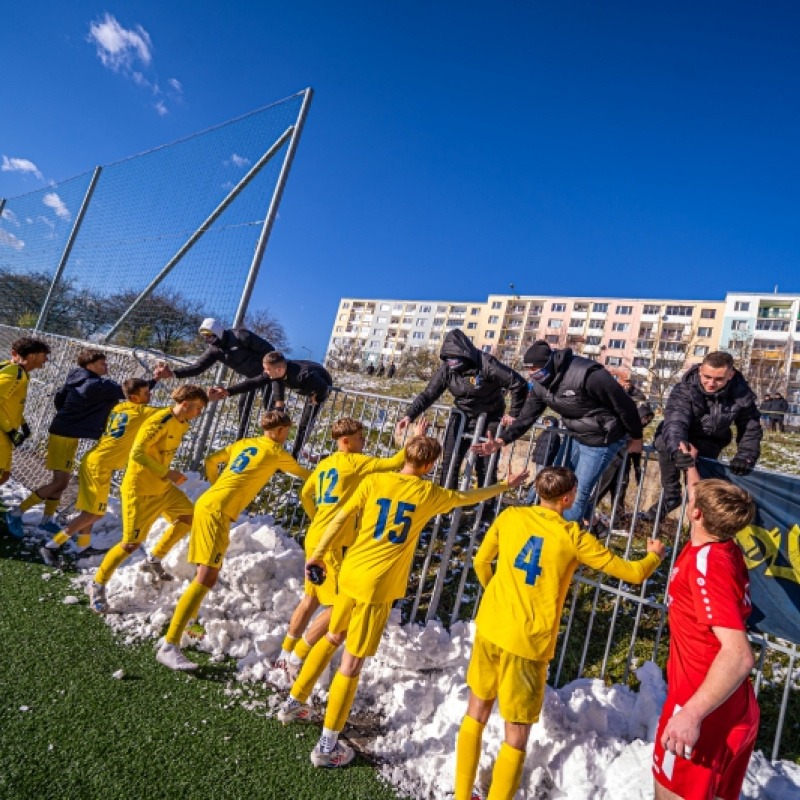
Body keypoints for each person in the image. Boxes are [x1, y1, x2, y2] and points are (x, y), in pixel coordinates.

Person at [277, 436, 528, 768]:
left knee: (333, 636)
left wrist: (320, 555)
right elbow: (467, 498)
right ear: (429, 466)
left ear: (405, 456)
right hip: (378, 586)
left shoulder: (374, 480)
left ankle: (295, 701)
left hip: (351, 571)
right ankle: (327, 745)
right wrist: (501, 486)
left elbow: (339, 518)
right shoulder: (429, 493)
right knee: (351, 665)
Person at [455, 466, 665, 800]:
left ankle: (460, 793)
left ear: (539, 491)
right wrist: (653, 556)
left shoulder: (510, 516)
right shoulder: (573, 536)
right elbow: (632, 574)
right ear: (567, 498)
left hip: (491, 627)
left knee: (476, 712)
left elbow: (482, 562)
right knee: (516, 733)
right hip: (528, 641)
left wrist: (496, 595)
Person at [274, 416, 427, 680]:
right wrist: (413, 438)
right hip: (332, 545)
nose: (364, 441)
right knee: (338, 604)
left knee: (310, 599)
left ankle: (283, 654)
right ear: (345, 441)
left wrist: (317, 517)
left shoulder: (325, 463)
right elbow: (394, 463)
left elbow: (304, 494)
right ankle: (298, 656)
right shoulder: (355, 462)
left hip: (316, 536)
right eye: (359, 437)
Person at [156, 410, 310, 671]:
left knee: (204, 574)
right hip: (217, 511)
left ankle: (189, 626)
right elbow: (306, 475)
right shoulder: (276, 452)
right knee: (206, 577)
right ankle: (170, 645)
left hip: (210, 504)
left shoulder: (246, 443)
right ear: (283, 431)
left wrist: (217, 487)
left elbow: (211, 460)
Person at [652, 443, 758, 800]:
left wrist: (691, 715)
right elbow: (697, 493)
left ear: (697, 515)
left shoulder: (707, 567)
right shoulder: (722, 545)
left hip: (700, 703)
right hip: (731, 702)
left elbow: (739, 655)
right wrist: (690, 466)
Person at [472, 339, 643, 525]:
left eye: (536, 369)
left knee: (576, 492)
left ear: (549, 363)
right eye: (529, 370)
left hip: (603, 437)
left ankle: (562, 537)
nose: (533, 374)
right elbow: (526, 418)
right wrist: (501, 441)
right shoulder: (539, 385)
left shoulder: (587, 374)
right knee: (559, 484)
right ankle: (589, 527)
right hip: (576, 434)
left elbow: (625, 405)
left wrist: (636, 437)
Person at [88, 385, 209, 615]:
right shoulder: (159, 421)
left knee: (188, 517)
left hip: (162, 488)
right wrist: (168, 473)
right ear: (185, 404)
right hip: (140, 490)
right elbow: (137, 454)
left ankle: (153, 560)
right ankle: (97, 584)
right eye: (198, 408)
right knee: (130, 544)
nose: (199, 414)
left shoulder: (182, 423)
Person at [9, 349, 135, 535]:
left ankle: (46, 520)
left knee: (60, 482)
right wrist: (155, 380)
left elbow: (60, 400)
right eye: (102, 363)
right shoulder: (92, 383)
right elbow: (126, 392)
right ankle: (16, 513)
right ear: (90, 366)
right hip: (63, 435)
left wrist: (71, 418)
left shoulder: (77, 378)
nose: (106, 366)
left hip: (67, 433)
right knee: (60, 483)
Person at [39, 378, 160, 564]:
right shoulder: (143, 412)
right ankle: (51, 546)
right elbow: (173, 413)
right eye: (146, 393)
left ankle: (83, 546)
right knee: (94, 513)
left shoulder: (120, 408)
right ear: (135, 398)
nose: (150, 396)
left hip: (96, 461)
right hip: (99, 466)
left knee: (91, 509)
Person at [397, 329, 528, 490]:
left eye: (454, 358)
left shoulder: (486, 363)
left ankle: (485, 510)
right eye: (448, 359)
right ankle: (446, 507)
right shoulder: (447, 369)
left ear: (464, 354)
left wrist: (514, 414)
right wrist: (409, 416)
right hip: (462, 415)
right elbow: (429, 393)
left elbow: (518, 384)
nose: (451, 362)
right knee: (450, 460)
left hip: (490, 417)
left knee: (485, 464)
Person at [642, 352, 762, 522]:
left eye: (719, 379)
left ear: (731, 374)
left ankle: (699, 538)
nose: (711, 383)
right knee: (664, 443)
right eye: (707, 377)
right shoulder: (684, 389)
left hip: (709, 442)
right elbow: (676, 420)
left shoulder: (742, 394)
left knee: (703, 500)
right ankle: (671, 494)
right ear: (699, 371)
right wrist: (678, 449)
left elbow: (750, 427)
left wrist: (746, 456)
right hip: (678, 437)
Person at [154, 318, 275, 437]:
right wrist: (172, 373)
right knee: (243, 404)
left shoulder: (240, 335)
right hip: (251, 377)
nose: (208, 340)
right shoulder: (214, 350)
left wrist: (268, 368)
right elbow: (198, 367)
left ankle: (274, 436)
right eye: (205, 337)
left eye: (209, 336)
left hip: (269, 374)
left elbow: (269, 350)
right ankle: (241, 437)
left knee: (271, 406)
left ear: (218, 332)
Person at [215, 352, 333, 459]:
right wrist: (229, 391)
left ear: (279, 369)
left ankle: (294, 457)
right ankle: (274, 452)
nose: (265, 372)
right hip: (291, 380)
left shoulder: (304, 375)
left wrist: (317, 397)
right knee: (278, 412)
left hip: (319, 387)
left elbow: (324, 388)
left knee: (305, 423)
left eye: (267, 369)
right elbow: (253, 382)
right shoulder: (275, 372)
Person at [1, 337, 50, 536]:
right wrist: (10, 430)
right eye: (43, 356)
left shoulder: (19, 372)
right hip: (2, 434)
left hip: (5, 434)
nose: (45, 360)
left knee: (4, 475)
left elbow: (9, 404)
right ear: (32, 356)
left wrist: (22, 424)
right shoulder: (14, 373)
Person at [593, 402, 655, 521]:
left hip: (624, 466)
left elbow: (636, 453)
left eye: (649, 419)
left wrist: (637, 468)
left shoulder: (638, 432)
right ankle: (586, 517)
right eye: (645, 417)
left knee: (620, 493)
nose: (646, 421)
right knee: (599, 491)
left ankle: (617, 522)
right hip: (611, 464)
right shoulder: (625, 425)